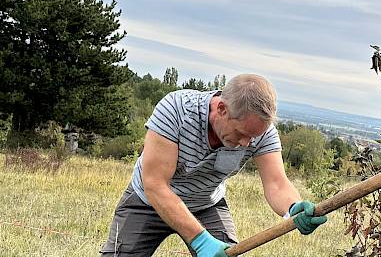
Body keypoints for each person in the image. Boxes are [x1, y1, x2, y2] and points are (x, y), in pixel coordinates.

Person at [101, 74, 326, 257]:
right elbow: (155, 185)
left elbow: (276, 184)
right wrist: (200, 240)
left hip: (205, 204)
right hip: (148, 202)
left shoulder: (261, 133)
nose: (246, 143)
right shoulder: (177, 110)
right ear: (221, 109)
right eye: (241, 133)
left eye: (253, 137)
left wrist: (292, 208)